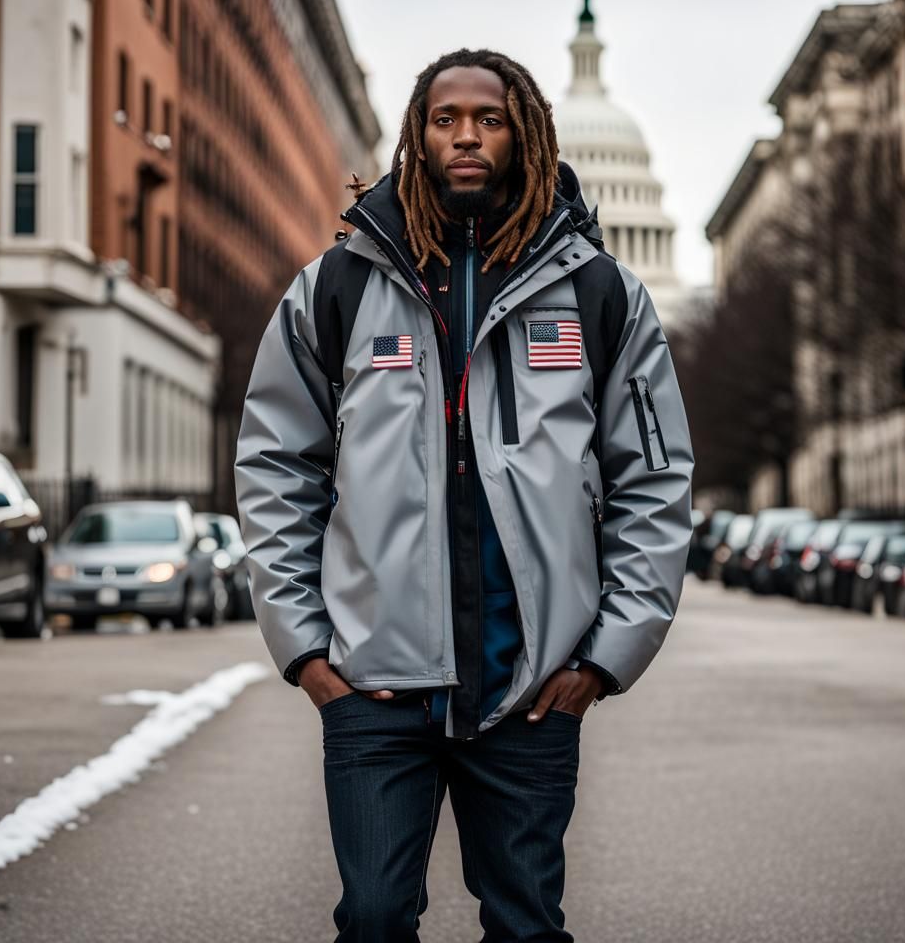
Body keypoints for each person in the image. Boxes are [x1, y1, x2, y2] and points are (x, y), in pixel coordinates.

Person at [235, 47, 694, 942]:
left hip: (528, 688)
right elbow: (275, 466)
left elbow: (654, 476)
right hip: (374, 689)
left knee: (527, 924)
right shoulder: (338, 286)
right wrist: (308, 652)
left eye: (488, 118)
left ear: (523, 132)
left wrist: (600, 661)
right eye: (446, 119)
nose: (468, 136)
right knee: (371, 920)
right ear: (417, 135)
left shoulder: (599, 293)